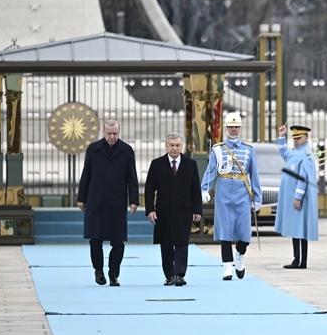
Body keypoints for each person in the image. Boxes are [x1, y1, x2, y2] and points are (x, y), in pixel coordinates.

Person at [77, 119, 138, 286]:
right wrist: (81, 198)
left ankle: (113, 274)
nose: (112, 136)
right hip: (95, 201)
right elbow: (86, 173)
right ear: (103, 132)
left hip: (117, 202)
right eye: (109, 133)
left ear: (119, 133)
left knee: (118, 241)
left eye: (115, 133)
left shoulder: (126, 150)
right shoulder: (93, 148)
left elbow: (132, 177)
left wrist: (133, 200)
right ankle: (98, 270)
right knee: (95, 239)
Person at [201, 113, 261, 280]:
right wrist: (205, 189)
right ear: (226, 128)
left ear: (240, 128)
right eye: (231, 127)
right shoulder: (218, 149)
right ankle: (227, 265)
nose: (234, 129)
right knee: (225, 230)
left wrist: (257, 197)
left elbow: (254, 175)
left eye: (236, 127)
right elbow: (211, 171)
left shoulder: (248, 149)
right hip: (224, 191)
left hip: (242, 191)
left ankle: (240, 254)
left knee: (244, 231)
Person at [145, 133, 203, 286]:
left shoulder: (190, 164)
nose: (175, 148)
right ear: (166, 146)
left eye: (177, 145)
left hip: (184, 210)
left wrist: (197, 210)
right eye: (171, 145)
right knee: (166, 244)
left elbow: (195, 189)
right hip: (163, 211)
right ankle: (169, 275)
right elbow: (149, 188)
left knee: (182, 242)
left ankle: (180, 274)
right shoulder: (157, 164)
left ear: (181, 146)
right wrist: (150, 209)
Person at [275, 124, 318, 268]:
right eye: (294, 138)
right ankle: (297, 259)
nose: (296, 140)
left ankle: (301, 261)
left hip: (299, 199)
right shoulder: (296, 152)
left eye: (299, 138)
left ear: (306, 138)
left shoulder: (305, 154)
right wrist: (282, 137)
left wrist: (298, 197)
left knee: (300, 229)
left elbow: (303, 178)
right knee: (296, 229)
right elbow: (284, 154)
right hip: (293, 197)